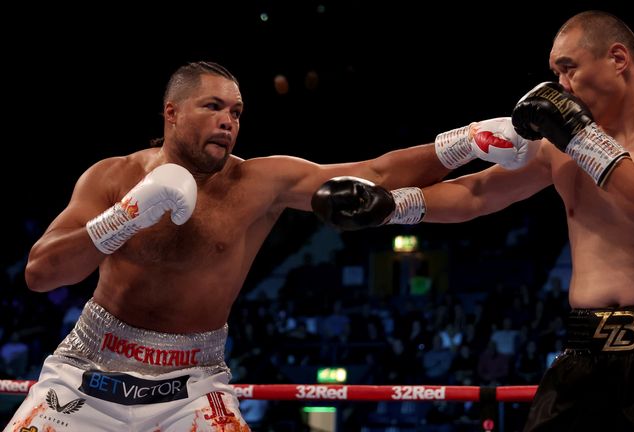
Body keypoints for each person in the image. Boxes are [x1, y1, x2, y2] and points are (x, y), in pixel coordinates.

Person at [6, 61, 526, 432]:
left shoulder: (258, 182)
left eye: (236, 111)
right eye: (212, 106)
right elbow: (40, 273)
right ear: (171, 112)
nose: (228, 121)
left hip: (191, 386)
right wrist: (126, 216)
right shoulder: (111, 177)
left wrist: (467, 141)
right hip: (86, 372)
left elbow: (375, 173)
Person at [312, 11, 634, 432]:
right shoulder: (560, 146)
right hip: (587, 353)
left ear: (617, 59)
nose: (561, 84)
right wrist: (395, 205)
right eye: (555, 74)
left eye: (570, 68)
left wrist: (583, 140)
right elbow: (479, 193)